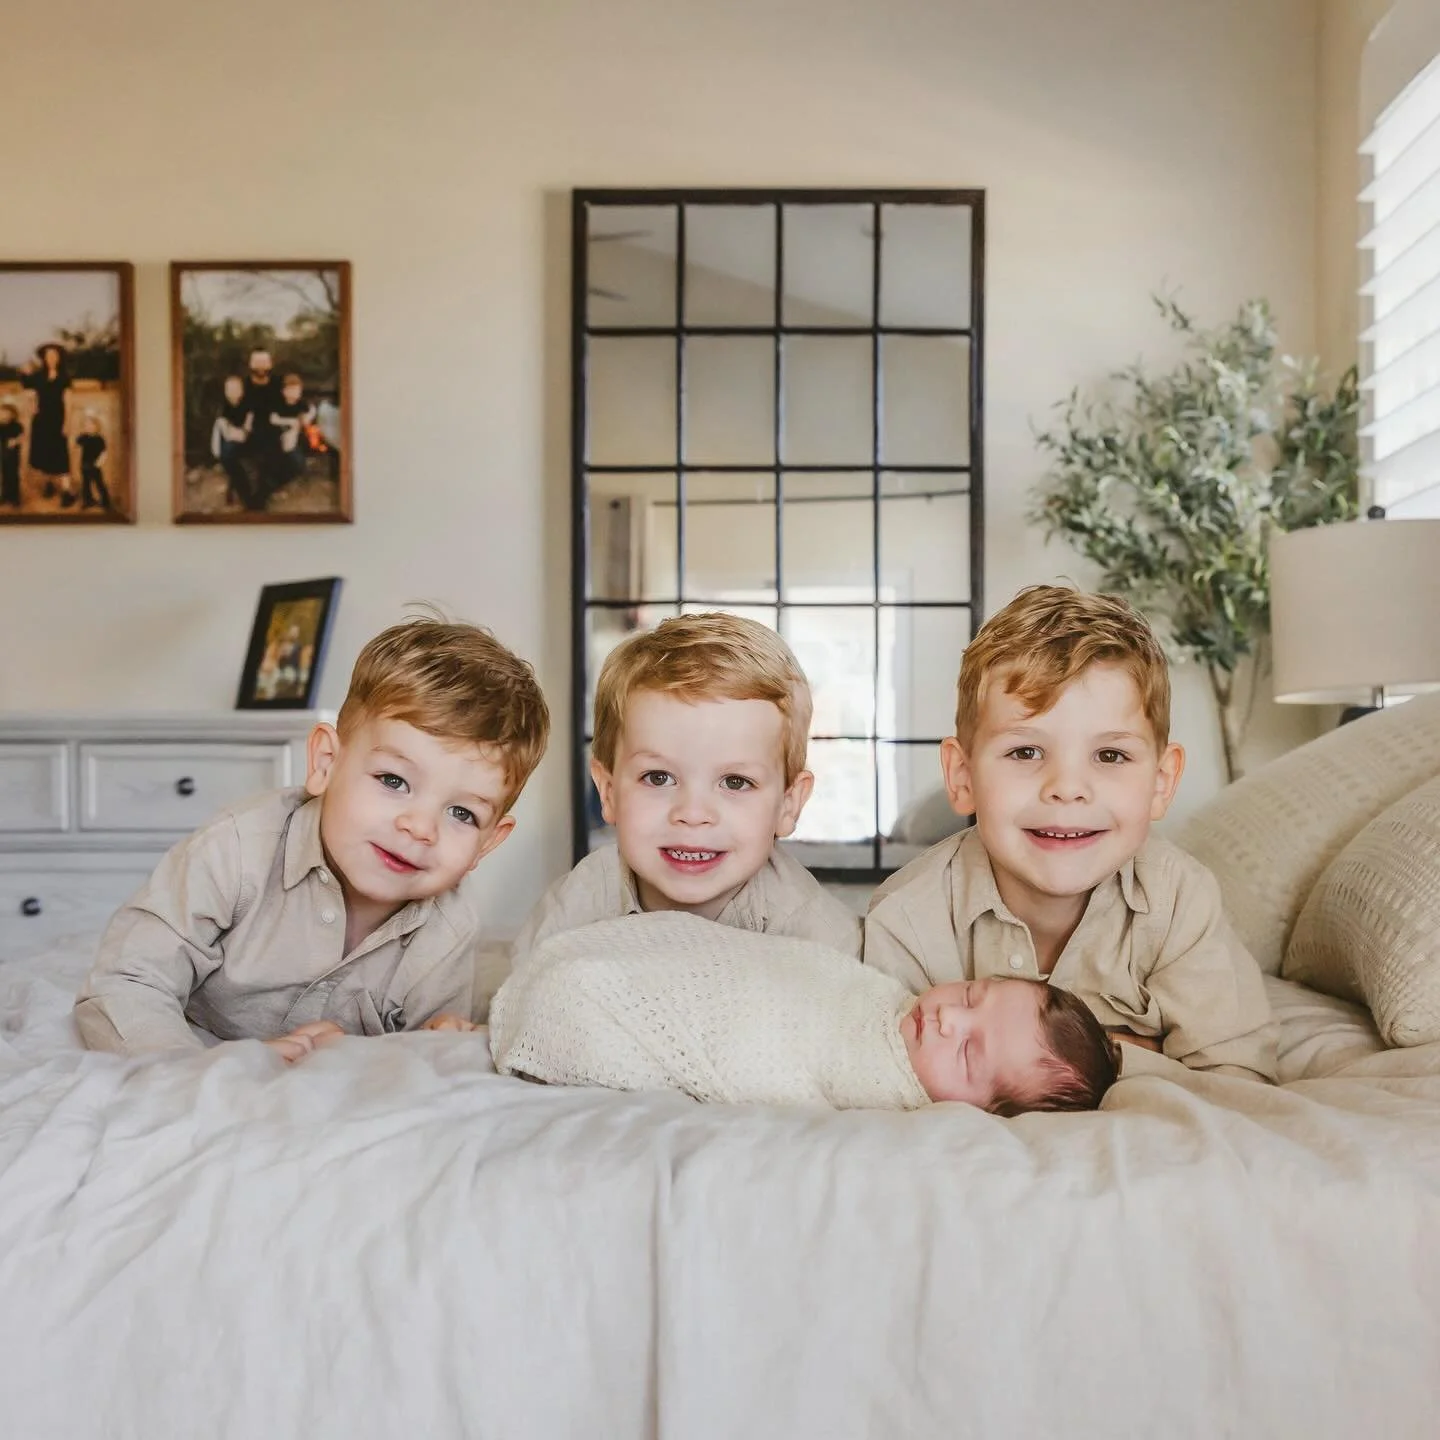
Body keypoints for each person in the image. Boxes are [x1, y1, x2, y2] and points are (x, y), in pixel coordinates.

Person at [74, 617, 551, 1059]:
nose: (420, 828)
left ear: (488, 843)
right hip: (196, 1046)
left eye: (462, 813)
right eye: (392, 780)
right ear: (326, 763)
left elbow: (412, 1063)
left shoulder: (447, 928)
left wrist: (436, 1043)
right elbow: (127, 981)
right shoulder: (237, 850)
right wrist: (197, 1073)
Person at [863, 584, 1277, 1083]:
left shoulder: (1177, 902)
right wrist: (1131, 1049)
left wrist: (1108, 1056)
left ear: (1160, 783)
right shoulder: (907, 921)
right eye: (1025, 752)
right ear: (963, 777)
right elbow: (882, 1078)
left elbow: (1236, 1078)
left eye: (1110, 756)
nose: (1066, 789)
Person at [504, 612, 862, 995]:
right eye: (658, 778)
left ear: (788, 804)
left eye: (735, 782)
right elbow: (523, 1008)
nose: (692, 814)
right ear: (608, 792)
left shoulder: (815, 933)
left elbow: (842, 1031)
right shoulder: (580, 902)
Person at [488, 913, 1119, 1114]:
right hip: (726, 986)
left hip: (721, 1036)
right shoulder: (886, 996)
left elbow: (779, 1064)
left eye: (969, 1053)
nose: (949, 1020)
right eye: (972, 995)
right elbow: (790, 974)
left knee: (581, 998)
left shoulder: (887, 1093)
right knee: (648, 964)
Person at [21, 343, 73, 506]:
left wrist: (67, 422)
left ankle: (66, 491)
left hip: (57, 420)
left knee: (61, 455)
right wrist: (24, 372)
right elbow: (27, 386)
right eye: (48, 355)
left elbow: (68, 402)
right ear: (43, 358)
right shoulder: (38, 376)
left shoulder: (65, 377)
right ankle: (49, 485)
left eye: (54, 355)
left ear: (59, 358)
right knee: (44, 452)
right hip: (41, 421)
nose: (51, 358)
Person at [210, 374, 254, 508]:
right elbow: (226, 432)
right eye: (229, 389)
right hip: (230, 441)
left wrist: (240, 432)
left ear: (241, 391)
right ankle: (245, 493)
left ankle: (241, 491)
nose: (232, 393)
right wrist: (235, 433)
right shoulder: (223, 408)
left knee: (229, 455)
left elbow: (247, 430)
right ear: (225, 391)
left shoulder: (248, 405)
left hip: (248, 441)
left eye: (235, 389)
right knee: (227, 454)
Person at [75, 411, 110, 511]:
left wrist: (99, 463)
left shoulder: (99, 439)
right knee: (85, 484)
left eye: (90, 425)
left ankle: (105, 501)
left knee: (99, 483)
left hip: (95, 466)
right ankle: (87, 501)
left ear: (96, 426)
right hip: (84, 465)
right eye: (86, 425)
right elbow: (77, 444)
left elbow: (104, 452)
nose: (88, 427)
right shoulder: (83, 437)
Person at [0, 402, 22, 507]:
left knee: (13, 476)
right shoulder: (1, 426)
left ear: (13, 415)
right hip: (3, 455)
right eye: (2, 414)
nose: (3, 416)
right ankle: (5, 495)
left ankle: (15, 498)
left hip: (13, 456)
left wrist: (16, 441)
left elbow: (21, 436)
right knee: (4, 476)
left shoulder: (16, 426)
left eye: (6, 414)